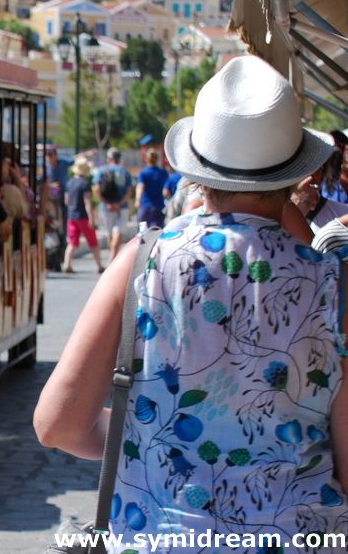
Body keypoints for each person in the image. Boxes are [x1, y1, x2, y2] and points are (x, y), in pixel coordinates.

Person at [35, 55, 348, 552]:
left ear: (198, 171)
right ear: (296, 176)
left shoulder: (143, 261)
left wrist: (144, 437)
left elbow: (58, 424)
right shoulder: (333, 281)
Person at [61, 156, 103, 274]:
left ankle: (67, 264)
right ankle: (99, 265)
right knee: (93, 242)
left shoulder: (69, 183)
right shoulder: (84, 184)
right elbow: (87, 202)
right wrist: (91, 218)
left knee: (72, 242)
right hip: (83, 216)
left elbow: (66, 201)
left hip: (71, 216)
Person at [92, 146, 133, 261]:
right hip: (121, 208)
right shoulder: (125, 172)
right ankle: (113, 257)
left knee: (110, 234)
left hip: (106, 208)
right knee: (118, 234)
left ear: (108, 158)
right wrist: (119, 204)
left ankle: (112, 257)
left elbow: (96, 189)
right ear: (119, 158)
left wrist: (107, 203)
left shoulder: (101, 171)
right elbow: (129, 192)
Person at [134, 148, 168, 228]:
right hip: (159, 205)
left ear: (146, 159)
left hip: (146, 206)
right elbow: (166, 189)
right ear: (157, 159)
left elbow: (140, 186)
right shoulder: (163, 173)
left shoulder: (143, 173)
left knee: (143, 232)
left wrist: (137, 200)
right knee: (158, 231)